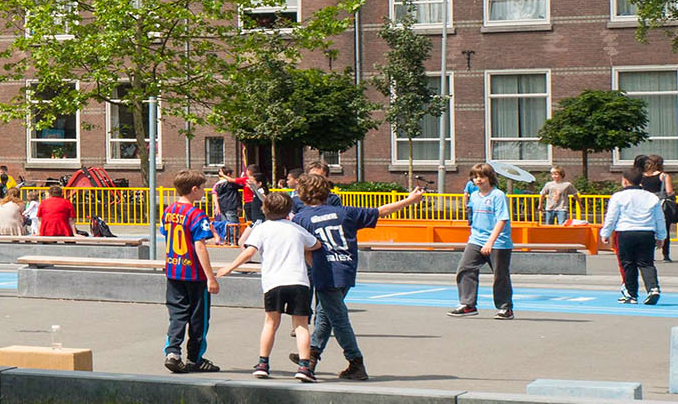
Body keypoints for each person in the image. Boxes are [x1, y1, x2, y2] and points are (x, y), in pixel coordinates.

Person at [293, 173, 424, 381]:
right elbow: (380, 211)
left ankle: (355, 362)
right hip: (345, 268)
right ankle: (312, 355)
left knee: (338, 318)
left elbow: (304, 249)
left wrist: (314, 267)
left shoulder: (302, 218)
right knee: (326, 313)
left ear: (302, 196)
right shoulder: (345, 212)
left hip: (325, 272)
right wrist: (410, 200)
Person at [216, 190, 320, 382]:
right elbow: (316, 245)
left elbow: (249, 253)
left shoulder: (262, 229)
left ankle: (263, 363)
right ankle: (305, 366)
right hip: (298, 281)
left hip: (274, 283)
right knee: (301, 326)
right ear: (289, 210)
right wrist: (301, 247)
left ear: (264, 209)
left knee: (270, 323)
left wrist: (229, 268)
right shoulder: (296, 229)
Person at [158, 171, 222, 373]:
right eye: (202, 188)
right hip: (194, 273)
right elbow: (199, 246)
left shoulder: (169, 210)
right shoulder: (196, 214)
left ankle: (172, 352)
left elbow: (166, 234)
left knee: (177, 313)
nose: (203, 191)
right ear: (194, 190)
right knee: (198, 317)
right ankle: (195, 357)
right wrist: (211, 277)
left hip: (174, 270)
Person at [450, 162, 515, 318]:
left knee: (500, 275)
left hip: (498, 242)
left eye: (482, 177)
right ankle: (468, 304)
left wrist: (490, 242)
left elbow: (502, 220)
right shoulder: (473, 196)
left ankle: (505, 308)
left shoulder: (498, 195)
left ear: (489, 177)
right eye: (475, 177)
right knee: (465, 269)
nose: (478, 180)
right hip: (476, 239)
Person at [598, 170, 667, 305]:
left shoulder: (618, 197)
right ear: (641, 181)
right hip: (647, 232)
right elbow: (659, 218)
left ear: (625, 180)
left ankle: (631, 294)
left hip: (625, 232)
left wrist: (605, 233)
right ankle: (653, 288)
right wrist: (661, 236)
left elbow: (611, 217)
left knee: (628, 263)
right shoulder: (651, 197)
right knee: (646, 263)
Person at [637, 154, 676, 262]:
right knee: (665, 229)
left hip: (645, 205)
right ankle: (666, 254)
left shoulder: (642, 176)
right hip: (660, 205)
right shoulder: (663, 176)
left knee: (649, 229)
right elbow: (669, 191)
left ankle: (649, 254)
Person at [212, 166, 244, 244]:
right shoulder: (231, 183)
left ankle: (227, 239)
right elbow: (242, 185)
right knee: (233, 224)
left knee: (225, 224)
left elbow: (214, 195)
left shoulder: (217, 185)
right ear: (228, 174)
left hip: (222, 207)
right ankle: (234, 239)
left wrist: (217, 207)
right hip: (231, 206)